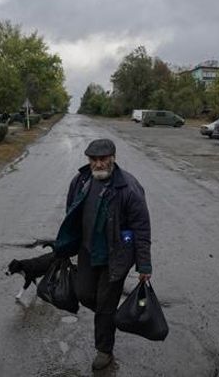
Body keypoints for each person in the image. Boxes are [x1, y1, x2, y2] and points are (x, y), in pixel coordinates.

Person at [54, 138, 152, 371]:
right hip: (88, 252)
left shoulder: (128, 187)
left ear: (113, 158)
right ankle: (107, 316)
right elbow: (71, 214)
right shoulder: (81, 181)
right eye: (93, 159)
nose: (98, 164)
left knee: (105, 307)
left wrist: (144, 265)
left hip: (116, 257)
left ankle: (104, 350)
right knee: (84, 294)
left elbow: (141, 228)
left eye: (103, 159)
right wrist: (66, 245)